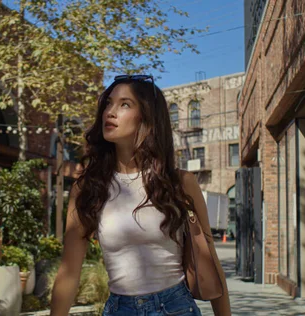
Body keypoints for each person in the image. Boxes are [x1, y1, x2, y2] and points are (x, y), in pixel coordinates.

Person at [49, 75, 231, 316]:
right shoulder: (88, 188)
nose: (110, 112)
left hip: (175, 308)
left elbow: (210, 259)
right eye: (108, 103)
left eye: (125, 104)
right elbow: (69, 272)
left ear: (147, 117)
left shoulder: (181, 183)